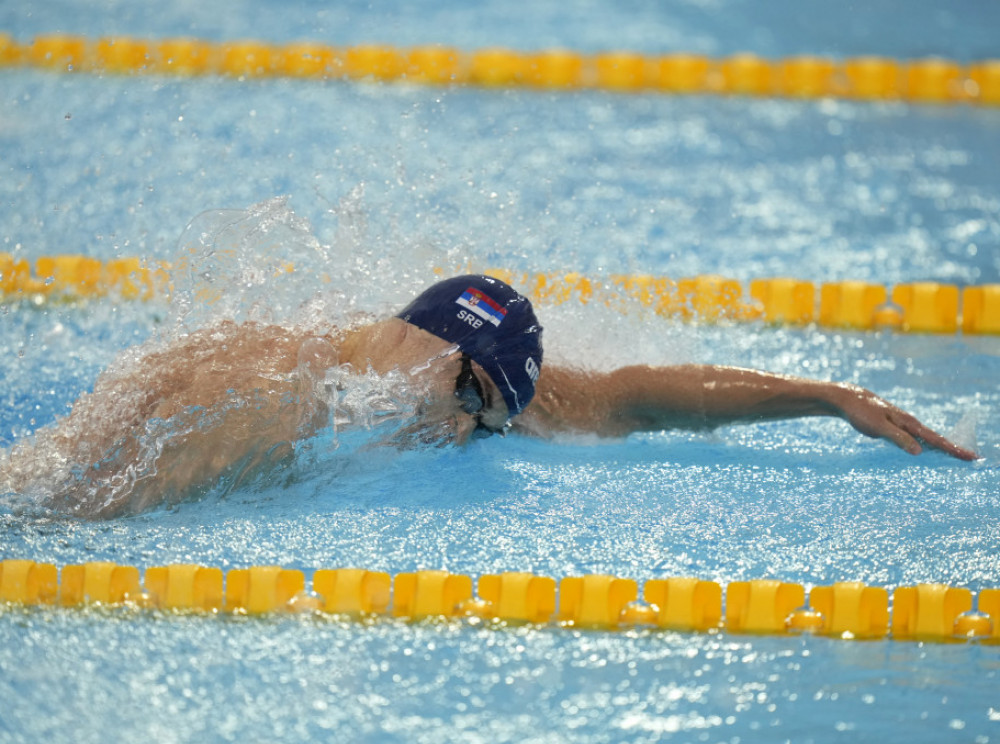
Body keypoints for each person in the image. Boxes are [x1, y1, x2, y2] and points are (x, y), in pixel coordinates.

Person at [1, 274, 977, 519]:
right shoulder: (277, 406)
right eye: (481, 415)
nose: (470, 436)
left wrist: (823, 394)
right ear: (459, 376)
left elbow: (633, 399)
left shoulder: (401, 369)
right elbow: (72, 516)